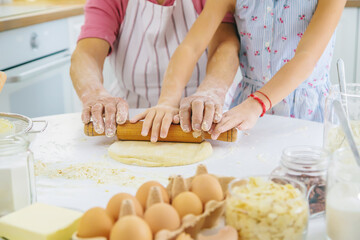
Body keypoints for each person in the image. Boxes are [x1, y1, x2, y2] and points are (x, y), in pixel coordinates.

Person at [133, 0, 346, 141]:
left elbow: (306, 58)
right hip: (245, 108)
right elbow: (191, 47)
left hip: (305, 111)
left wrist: (257, 104)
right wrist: (168, 101)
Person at [70, 0, 239, 138]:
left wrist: (210, 92)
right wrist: (95, 94)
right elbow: (87, 54)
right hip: (131, 116)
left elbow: (224, 46)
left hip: (203, 114)